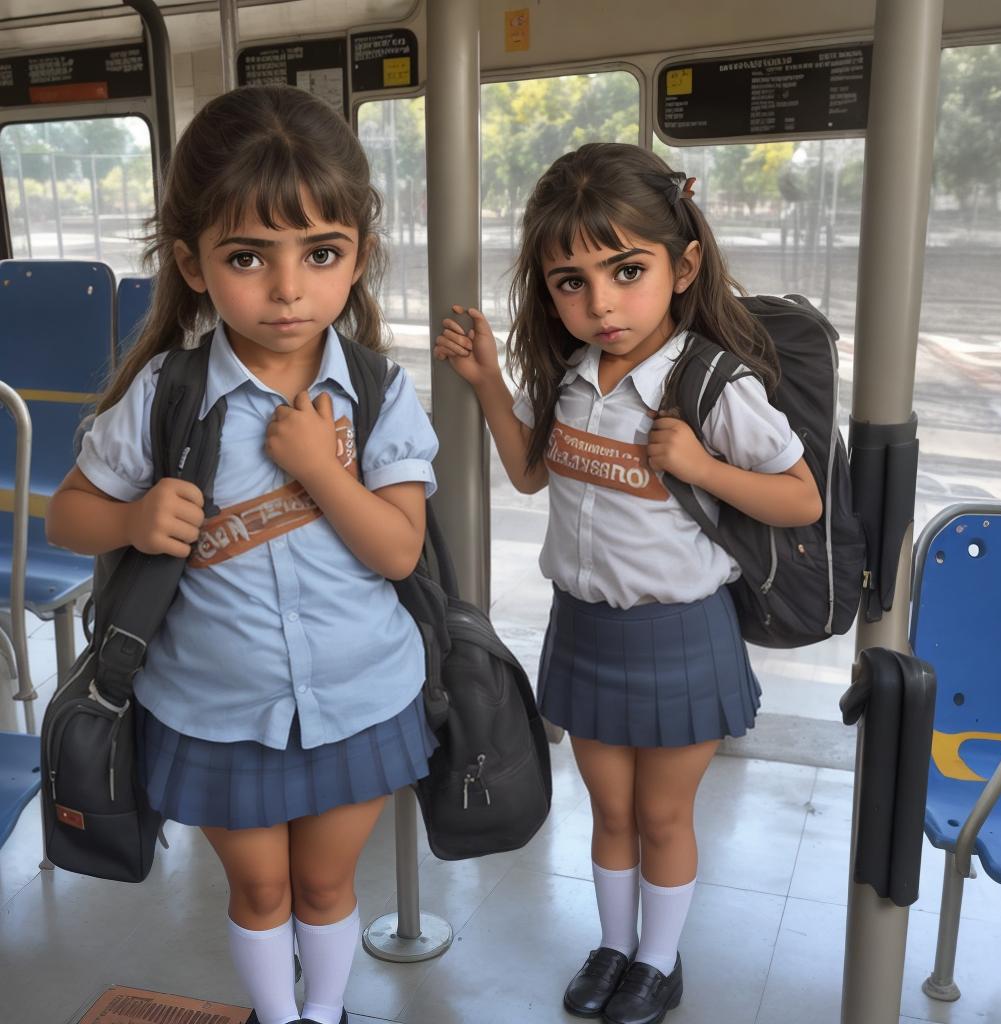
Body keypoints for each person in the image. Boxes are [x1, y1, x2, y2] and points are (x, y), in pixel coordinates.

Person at [46, 85, 438, 1024]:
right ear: (192, 264)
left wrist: (320, 469)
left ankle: (326, 1012)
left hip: (358, 697)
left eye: (322, 254)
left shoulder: (379, 393)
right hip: (214, 706)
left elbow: (398, 550)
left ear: (359, 258)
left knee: (327, 888)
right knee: (261, 893)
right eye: (249, 257)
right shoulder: (164, 396)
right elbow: (68, 517)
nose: (289, 288)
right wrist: (134, 522)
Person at [434, 143, 821, 1024]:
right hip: (585, 628)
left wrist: (703, 467)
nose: (601, 302)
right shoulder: (573, 379)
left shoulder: (710, 384)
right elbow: (533, 474)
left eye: (627, 270)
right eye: (571, 281)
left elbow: (801, 499)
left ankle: (658, 958)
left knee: (662, 818)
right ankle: (613, 946)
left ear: (683, 267)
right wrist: (489, 381)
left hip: (680, 635)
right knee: (608, 813)